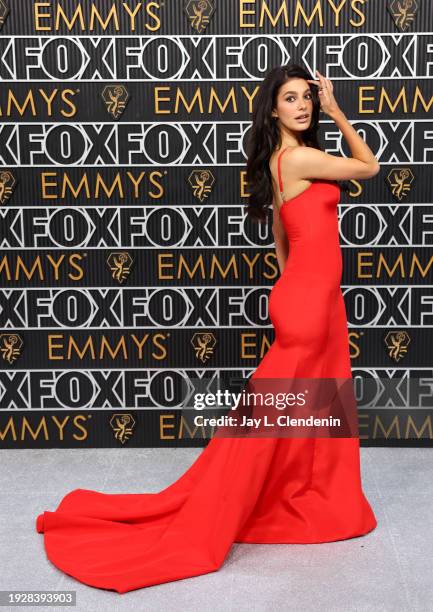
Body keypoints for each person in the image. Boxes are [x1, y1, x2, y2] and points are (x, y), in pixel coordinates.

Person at [35, 64, 379, 593]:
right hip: (311, 304)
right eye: (291, 99)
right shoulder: (300, 156)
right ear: (273, 109)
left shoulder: (278, 161)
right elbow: (369, 167)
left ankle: (313, 496)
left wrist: (296, 287)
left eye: (308, 98)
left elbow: (282, 240)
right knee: (276, 411)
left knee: (314, 406)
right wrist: (338, 111)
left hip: (317, 300)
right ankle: (227, 503)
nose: (304, 106)